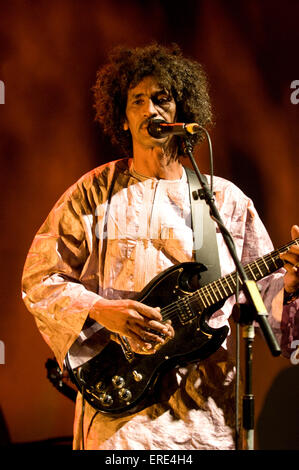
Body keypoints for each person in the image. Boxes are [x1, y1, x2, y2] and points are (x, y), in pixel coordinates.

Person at [21, 43, 299, 450]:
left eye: (162, 98)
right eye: (138, 100)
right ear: (124, 116)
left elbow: (262, 303)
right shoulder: (92, 194)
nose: (151, 109)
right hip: (118, 425)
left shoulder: (223, 202)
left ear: (181, 112)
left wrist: (290, 284)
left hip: (202, 421)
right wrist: (103, 311)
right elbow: (40, 278)